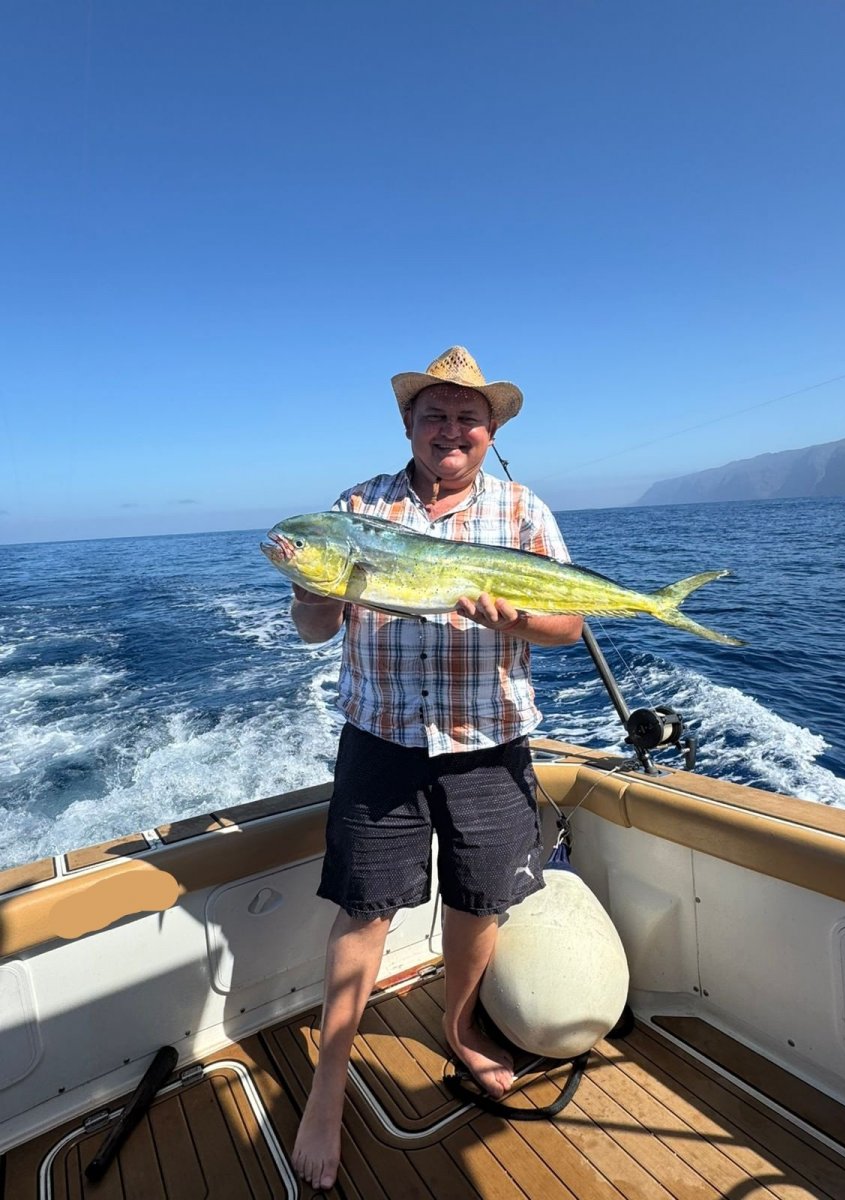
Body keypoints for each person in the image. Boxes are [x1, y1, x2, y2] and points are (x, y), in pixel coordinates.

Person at [289, 345, 583, 1190]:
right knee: (363, 911)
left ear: (489, 431)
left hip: (488, 740)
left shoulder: (524, 511)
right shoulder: (358, 509)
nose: (450, 430)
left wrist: (518, 618)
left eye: (467, 417)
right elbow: (314, 629)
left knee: (479, 901)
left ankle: (458, 1030)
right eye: (434, 416)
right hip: (382, 739)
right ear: (409, 426)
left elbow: (568, 625)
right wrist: (314, 593)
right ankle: (328, 1089)